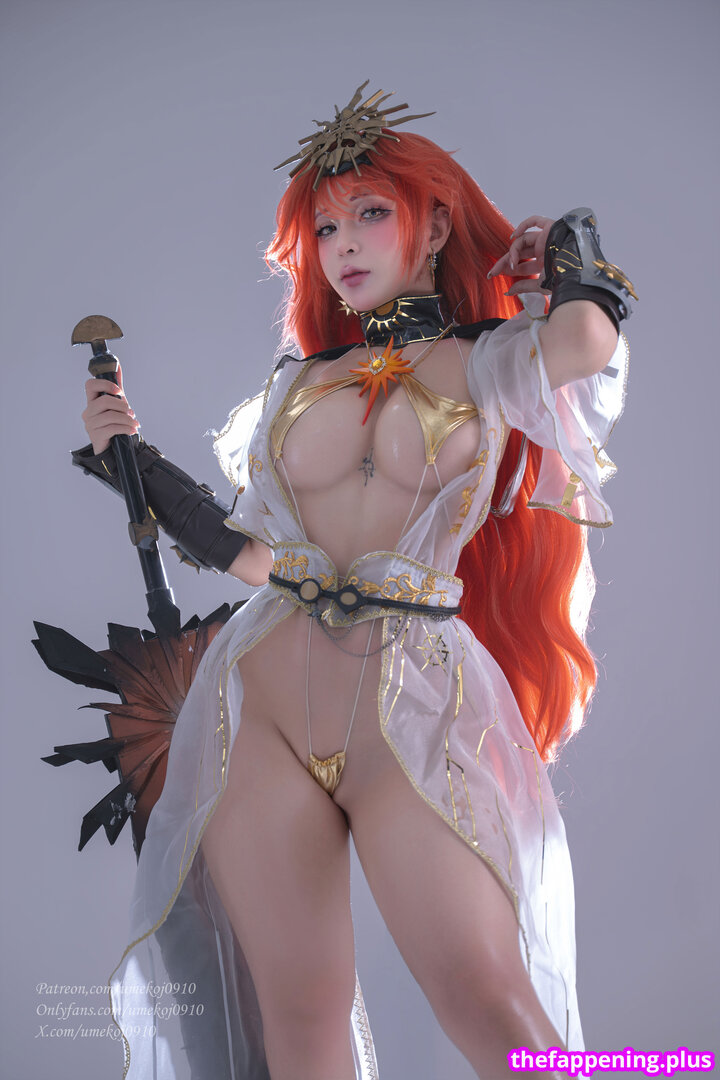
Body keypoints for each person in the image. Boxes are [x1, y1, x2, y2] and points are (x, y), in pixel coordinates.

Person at [75, 83, 633, 1080]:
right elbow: (256, 559)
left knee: (485, 996)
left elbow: (589, 339)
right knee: (298, 1016)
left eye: (371, 213)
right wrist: (136, 464)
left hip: (410, 707)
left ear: (436, 227)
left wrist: (563, 247)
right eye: (325, 227)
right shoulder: (298, 383)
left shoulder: (487, 362)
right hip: (260, 706)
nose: (344, 244)